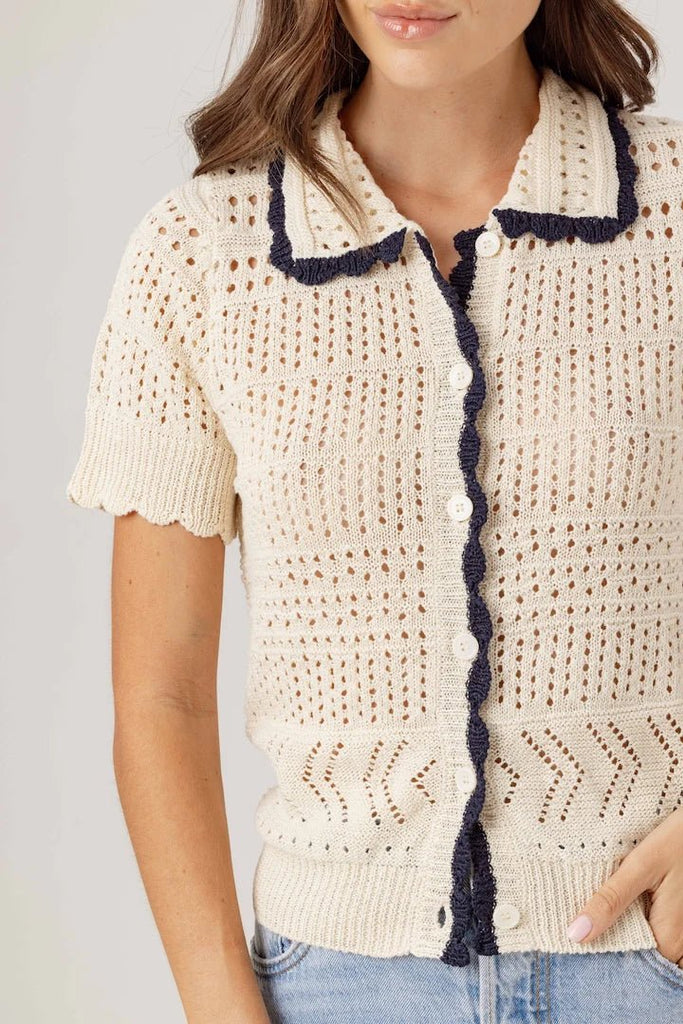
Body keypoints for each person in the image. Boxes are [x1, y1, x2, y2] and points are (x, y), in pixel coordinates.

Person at [66, 0, 683, 1021]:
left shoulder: (670, 211)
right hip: (333, 985)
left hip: (649, 967)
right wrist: (220, 1008)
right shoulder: (204, 253)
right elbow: (161, 697)